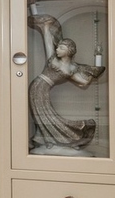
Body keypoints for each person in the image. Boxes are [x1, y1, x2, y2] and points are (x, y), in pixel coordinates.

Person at [27, 13, 106, 153]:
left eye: (61, 48)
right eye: (58, 47)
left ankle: (62, 138)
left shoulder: (71, 68)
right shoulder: (53, 59)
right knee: (43, 114)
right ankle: (49, 139)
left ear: (69, 51)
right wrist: (46, 27)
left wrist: (93, 72)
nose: (57, 49)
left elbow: (83, 83)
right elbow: (47, 41)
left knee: (47, 114)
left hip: (44, 88)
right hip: (37, 86)